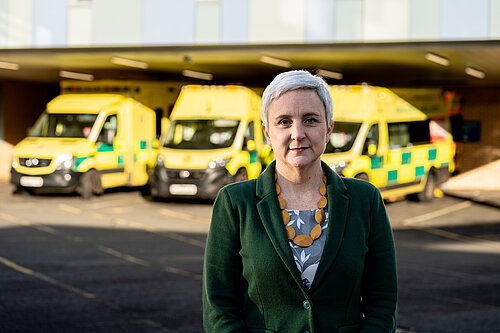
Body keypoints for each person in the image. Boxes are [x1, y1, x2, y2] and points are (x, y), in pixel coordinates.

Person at [203, 70, 398, 333]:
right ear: (267, 133)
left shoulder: (366, 200)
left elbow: (382, 303)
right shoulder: (235, 203)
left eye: (310, 120)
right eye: (284, 121)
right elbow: (219, 308)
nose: (297, 133)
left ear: (328, 128)